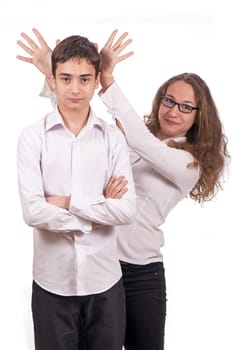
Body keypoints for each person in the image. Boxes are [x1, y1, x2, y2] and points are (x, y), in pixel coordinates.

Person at [17, 29, 230, 350]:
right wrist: (57, 72)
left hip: (140, 275)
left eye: (186, 107)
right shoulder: (126, 137)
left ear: (201, 116)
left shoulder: (188, 162)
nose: (173, 111)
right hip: (99, 267)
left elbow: (136, 143)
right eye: (169, 100)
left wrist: (107, 78)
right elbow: (79, 122)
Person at [16, 33, 136, 350]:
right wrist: (97, 215)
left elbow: (126, 211)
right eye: (65, 78)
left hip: (105, 284)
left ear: (97, 81)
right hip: (51, 286)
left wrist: (66, 203)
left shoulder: (113, 139)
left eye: (84, 79)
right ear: (52, 80)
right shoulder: (32, 137)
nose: (74, 89)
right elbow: (33, 211)